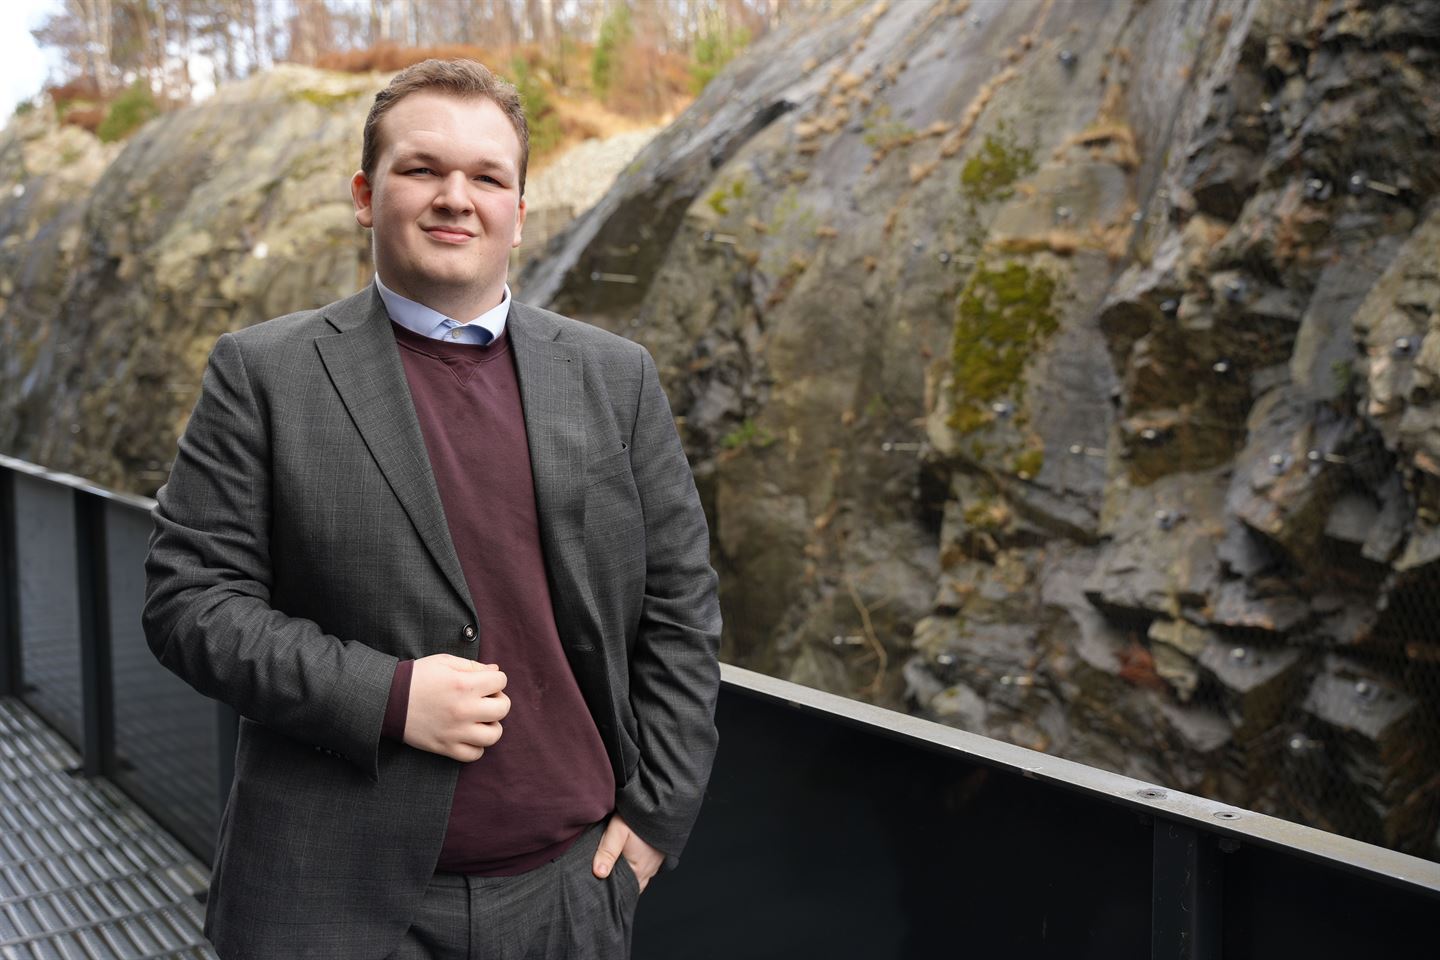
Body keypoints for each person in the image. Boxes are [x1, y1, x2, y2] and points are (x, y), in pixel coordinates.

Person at [143, 58, 722, 960]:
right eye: (423, 170)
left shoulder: (617, 377)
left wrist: (657, 818)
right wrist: (389, 695)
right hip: (330, 905)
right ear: (368, 196)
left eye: (488, 177)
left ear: (519, 212)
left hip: (570, 894)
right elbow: (189, 605)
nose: (457, 197)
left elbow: (682, 610)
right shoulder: (264, 373)